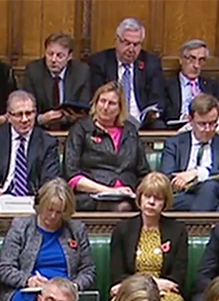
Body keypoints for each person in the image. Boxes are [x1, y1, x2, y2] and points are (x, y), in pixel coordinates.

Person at [0, 179, 95, 301]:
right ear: (40, 205)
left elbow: (88, 270)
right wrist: (28, 280)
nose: (53, 216)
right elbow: (5, 269)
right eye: (49, 210)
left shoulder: (76, 230)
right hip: (29, 293)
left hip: (66, 294)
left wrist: (74, 286)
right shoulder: (21, 227)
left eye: (59, 212)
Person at [107, 172, 188, 301]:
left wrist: (154, 288)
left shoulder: (178, 231)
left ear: (165, 202)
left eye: (157, 198)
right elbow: (118, 275)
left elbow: (177, 277)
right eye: (147, 196)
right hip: (130, 292)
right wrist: (151, 285)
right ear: (140, 198)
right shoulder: (122, 229)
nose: (151, 202)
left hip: (164, 295)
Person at [64, 82, 151, 211]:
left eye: (111, 103)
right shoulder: (81, 129)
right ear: (95, 103)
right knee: (123, 207)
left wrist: (138, 192)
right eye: (102, 101)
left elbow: (143, 172)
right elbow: (72, 175)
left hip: (129, 195)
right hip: (90, 195)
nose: (105, 107)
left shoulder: (130, 131)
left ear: (120, 108)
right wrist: (110, 191)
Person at [160, 93, 219, 212]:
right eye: (202, 124)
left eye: (212, 123)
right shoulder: (174, 143)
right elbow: (167, 176)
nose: (208, 129)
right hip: (184, 195)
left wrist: (198, 173)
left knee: (210, 186)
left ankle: (195, 228)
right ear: (190, 121)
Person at [0, 91, 60, 201]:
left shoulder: (48, 143)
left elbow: (50, 180)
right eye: (19, 114)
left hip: (34, 200)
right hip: (1, 199)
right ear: (8, 116)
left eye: (29, 113)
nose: (24, 119)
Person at [88, 18, 164, 128]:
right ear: (117, 41)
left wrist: (151, 114)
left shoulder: (151, 63)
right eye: (127, 43)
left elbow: (158, 99)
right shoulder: (100, 62)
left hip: (142, 123)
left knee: (159, 126)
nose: (131, 49)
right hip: (110, 119)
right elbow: (95, 97)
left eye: (136, 44)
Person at [20, 32, 91, 129]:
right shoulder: (33, 71)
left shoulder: (81, 72)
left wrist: (63, 117)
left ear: (69, 56)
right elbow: (24, 107)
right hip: (40, 129)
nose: (53, 60)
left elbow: (84, 109)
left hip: (72, 129)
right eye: (50, 54)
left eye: (59, 56)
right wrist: (41, 118)